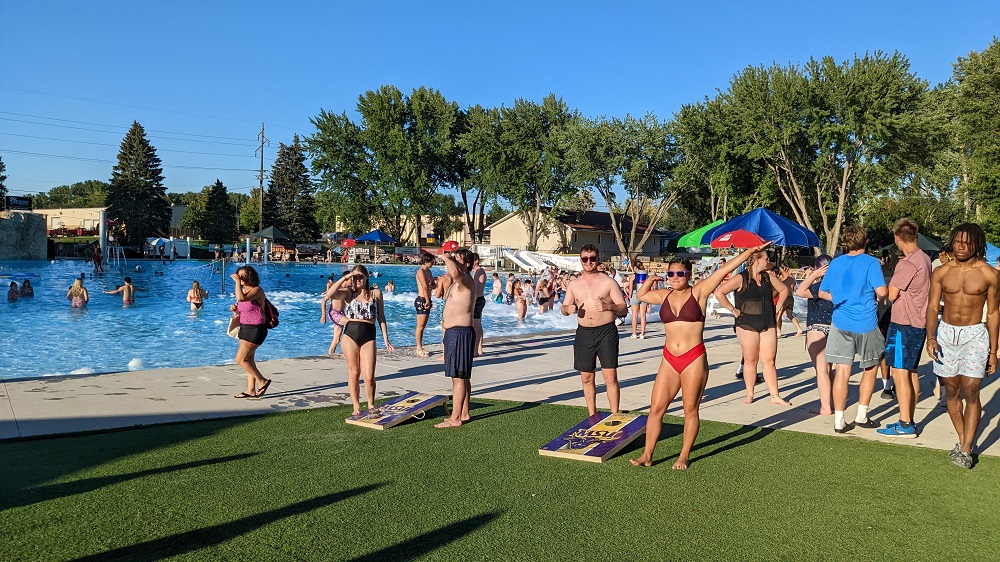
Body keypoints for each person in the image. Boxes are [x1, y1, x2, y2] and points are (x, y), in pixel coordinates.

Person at [629, 243, 773, 469]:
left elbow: (724, 271)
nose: (675, 278)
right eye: (671, 274)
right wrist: (651, 278)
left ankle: (684, 456)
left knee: (690, 409)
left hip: (693, 358)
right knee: (656, 408)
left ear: (689, 274)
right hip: (669, 358)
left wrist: (748, 252)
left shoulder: (699, 292)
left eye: (680, 273)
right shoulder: (664, 295)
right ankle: (647, 455)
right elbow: (641, 295)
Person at [926, 224, 998, 468]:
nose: (961, 246)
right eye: (957, 241)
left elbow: (994, 314)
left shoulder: (989, 274)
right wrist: (931, 337)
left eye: (966, 243)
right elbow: (933, 306)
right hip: (945, 334)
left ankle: (966, 448)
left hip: (974, 334)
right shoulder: (942, 272)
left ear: (977, 245)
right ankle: (962, 439)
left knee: (971, 390)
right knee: (952, 392)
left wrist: (993, 351)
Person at [818, 225, 887, 434]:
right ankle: (861, 415)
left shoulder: (836, 263)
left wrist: (840, 298)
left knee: (842, 372)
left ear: (845, 242)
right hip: (866, 322)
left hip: (840, 323)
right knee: (870, 368)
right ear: (866, 241)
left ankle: (839, 420)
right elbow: (882, 291)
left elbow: (822, 293)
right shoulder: (871, 263)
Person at [871, 219, 933, 438]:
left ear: (897, 238)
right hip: (919, 322)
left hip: (904, 323)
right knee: (911, 372)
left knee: (899, 372)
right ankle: (908, 419)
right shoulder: (925, 258)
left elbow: (892, 294)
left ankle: (905, 423)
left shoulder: (907, 263)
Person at [713, 249, 792, 405]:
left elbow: (784, 289)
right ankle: (750, 394)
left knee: (769, 360)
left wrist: (779, 305)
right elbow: (719, 292)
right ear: (757, 260)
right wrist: (733, 310)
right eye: (766, 259)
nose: (768, 261)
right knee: (751, 360)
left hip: (767, 321)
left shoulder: (768, 277)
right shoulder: (741, 278)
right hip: (746, 322)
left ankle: (775, 395)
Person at [561, 245, 629, 416]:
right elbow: (564, 307)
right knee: (586, 377)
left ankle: (614, 415)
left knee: (610, 377)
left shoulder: (608, 282)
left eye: (592, 258)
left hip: (606, 331)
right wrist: (567, 309)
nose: (589, 262)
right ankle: (592, 415)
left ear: (597, 259)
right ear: (581, 261)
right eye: (585, 259)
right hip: (584, 333)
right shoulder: (574, 284)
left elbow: (623, 309)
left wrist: (609, 306)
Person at [324, 266, 395, 415]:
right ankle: (356, 405)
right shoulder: (349, 293)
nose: (357, 280)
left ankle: (370, 404)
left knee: (369, 376)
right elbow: (330, 294)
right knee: (354, 372)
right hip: (351, 334)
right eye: (355, 278)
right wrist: (346, 277)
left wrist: (386, 339)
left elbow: (381, 317)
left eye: (360, 277)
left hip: (369, 334)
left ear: (367, 277)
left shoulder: (376, 293)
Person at [435, 249, 477, 428]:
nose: (453, 262)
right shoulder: (457, 282)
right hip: (455, 333)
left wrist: (445, 256)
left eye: (457, 260)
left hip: (460, 333)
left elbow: (454, 271)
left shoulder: (466, 280)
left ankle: (455, 418)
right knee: (461, 377)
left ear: (466, 264)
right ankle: (464, 413)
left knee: (459, 377)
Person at [796, 255, 834, 415]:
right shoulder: (838, 285)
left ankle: (825, 406)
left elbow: (799, 291)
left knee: (821, 370)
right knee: (829, 369)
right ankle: (831, 402)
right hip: (835, 328)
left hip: (817, 328)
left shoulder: (819, 286)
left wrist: (813, 276)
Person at [230, 266, 271, 399]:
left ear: (250, 277)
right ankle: (250, 390)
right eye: (238, 275)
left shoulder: (257, 290)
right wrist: (236, 310)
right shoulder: (243, 290)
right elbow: (243, 305)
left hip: (256, 329)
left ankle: (262, 381)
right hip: (245, 327)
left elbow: (241, 299)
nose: (240, 278)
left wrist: (236, 282)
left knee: (240, 359)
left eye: (243, 275)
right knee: (249, 359)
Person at [414, 252, 436, 357]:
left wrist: (433, 285)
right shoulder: (421, 272)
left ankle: (420, 346)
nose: (433, 263)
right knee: (420, 326)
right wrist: (427, 300)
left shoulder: (429, 271)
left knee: (423, 325)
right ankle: (418, 348)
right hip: (422, 299)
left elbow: (433, 285)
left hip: (427, 299)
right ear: (426, 261)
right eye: (432, 261)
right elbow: (424, 286)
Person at [776, 267, 803, 337]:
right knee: (789, 315)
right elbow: (794, 289)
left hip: (784, 298)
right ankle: (799, 328)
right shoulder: (792, 278)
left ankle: (778, 332)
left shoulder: (781, 278)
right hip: (791, 298)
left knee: (778, 315)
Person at [471, 253, 487, 356]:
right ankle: (479, 348)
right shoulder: (476, 272)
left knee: (476, 325)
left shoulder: (479, 272)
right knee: (477, 324)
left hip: (477, 299)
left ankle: (476, 349)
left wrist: (472, 302)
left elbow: (477, 289)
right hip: (478, 299)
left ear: (476, 261)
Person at [631, 261, 649, 339]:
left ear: (635, 267)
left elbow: (631, 287)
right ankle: (642, 334)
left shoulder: (633, 276)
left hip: (635, 294)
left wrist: (629, 296)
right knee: (643, 316)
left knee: (634, 316)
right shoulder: (646, 276)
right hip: (644, 294)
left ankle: (634, 333)